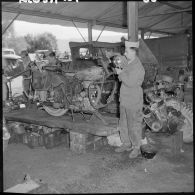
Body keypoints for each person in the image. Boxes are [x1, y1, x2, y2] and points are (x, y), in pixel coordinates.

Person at [114, 40, 145, 159]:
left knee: (134, 125)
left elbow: (131, 83)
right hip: (124, 99)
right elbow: (121, 67)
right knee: (123, 123)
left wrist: (120, 73)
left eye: (127, 51)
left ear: (134, 52)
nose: (125, 54)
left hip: (133, 101)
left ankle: (136, 147)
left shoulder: (138, 67)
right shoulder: (128, 63)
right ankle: (126, 143)